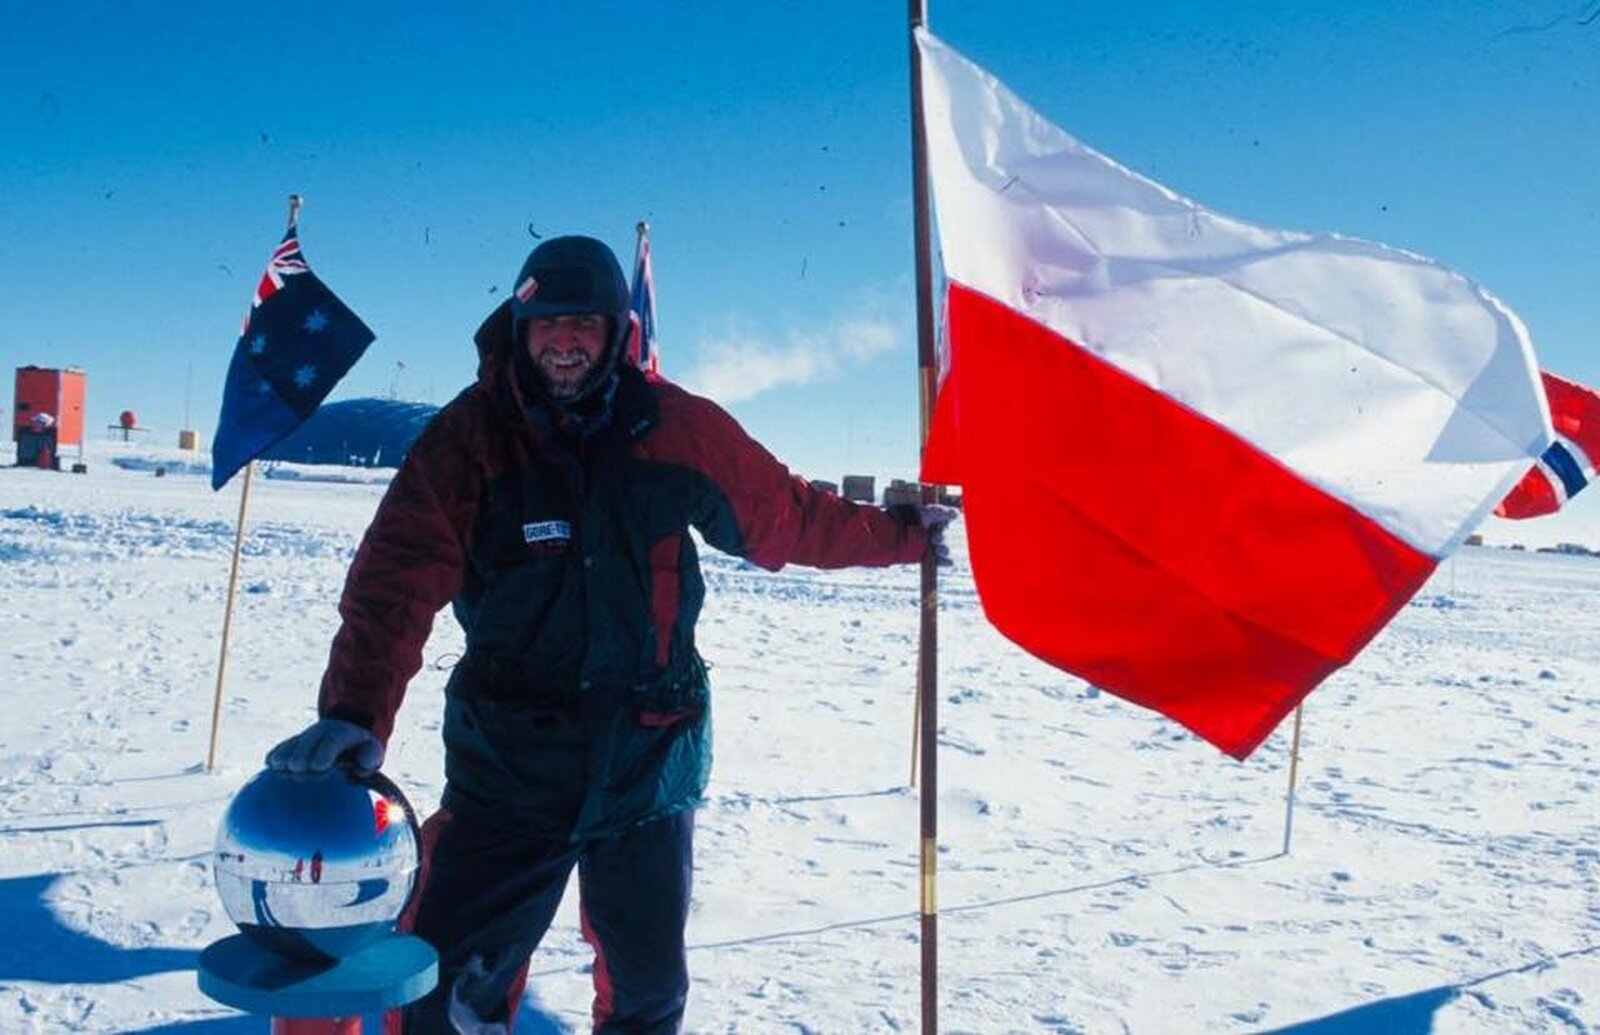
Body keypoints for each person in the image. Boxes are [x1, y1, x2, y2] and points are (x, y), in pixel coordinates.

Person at [267, 234, 956, 1034]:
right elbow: (395, 584)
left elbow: (786, 518)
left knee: (648, 993)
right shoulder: (470, 440)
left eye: (584, 323)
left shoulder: (677, 429)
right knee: (445, 991)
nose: (563, 342)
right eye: (545, 325)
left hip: (647, 766)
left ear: (616, 330)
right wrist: (355, 712)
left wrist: (904, 536)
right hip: (510, 766)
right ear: (519, 330)